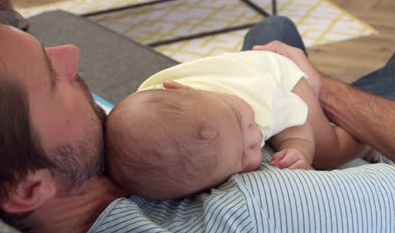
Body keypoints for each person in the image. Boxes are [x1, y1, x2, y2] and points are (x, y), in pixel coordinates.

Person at [0, 0, 395, 233]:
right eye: (51, 79)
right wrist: (319, 84)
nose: (71, 54)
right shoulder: (248, 214)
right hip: (339, 143)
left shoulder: (91, 160)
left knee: (272, 33)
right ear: (29, 188)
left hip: (277, 106)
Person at [104, 48, 380, 200]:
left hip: (279, 76)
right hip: (242, 62)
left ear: (178, 87)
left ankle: (365, 139)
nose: (253, 136)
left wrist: (300, 150)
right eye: (242, 156)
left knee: (328, 153)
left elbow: (295, 123)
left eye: (238, 118)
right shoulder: (156, 105)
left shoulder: (256, 102)